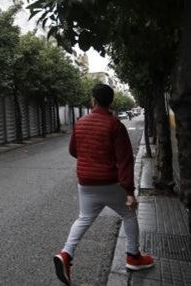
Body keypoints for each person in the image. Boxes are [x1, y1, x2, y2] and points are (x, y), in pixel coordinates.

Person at [53, 84, 154, 286]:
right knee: (128, 214)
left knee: (84, 218)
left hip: (86, 182)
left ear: (93, 101)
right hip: (109, 182)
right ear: (112, 102)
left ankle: (66, 254)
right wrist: (129, 192)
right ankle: (133, 256)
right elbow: (125, 160)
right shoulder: (115, 125)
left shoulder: (80, 122)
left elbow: (74, 151)